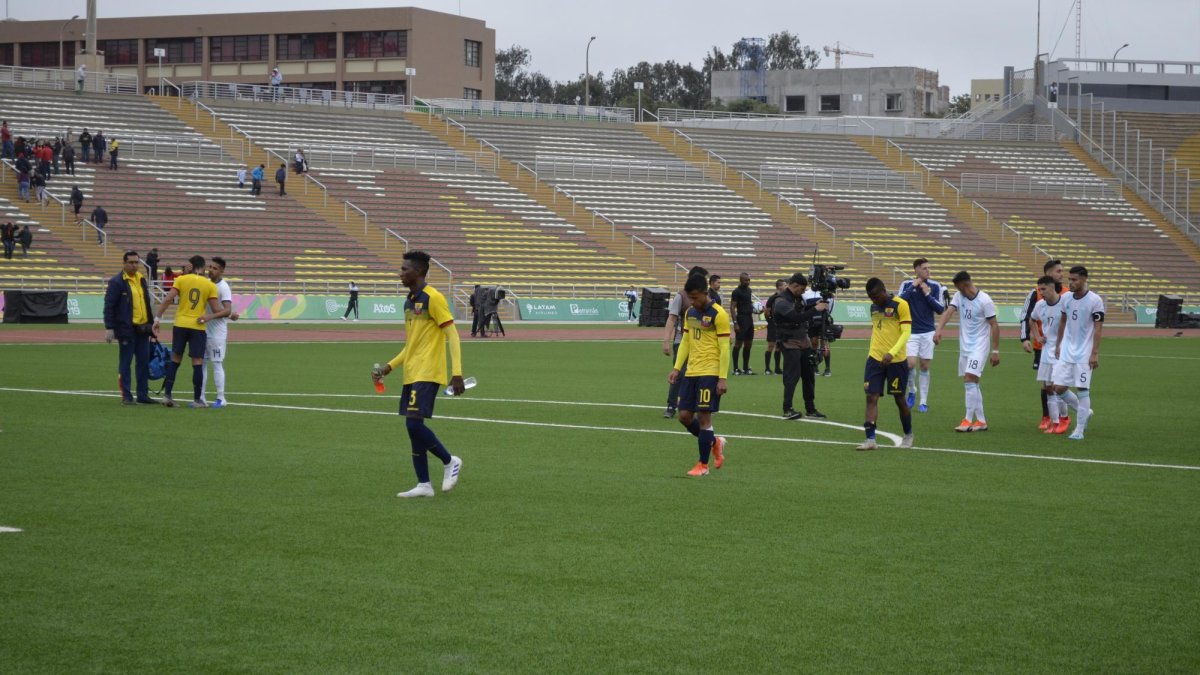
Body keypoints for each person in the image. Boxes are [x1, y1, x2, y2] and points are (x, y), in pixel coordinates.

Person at [371, 250, 465, 499]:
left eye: (404, 269)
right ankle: (424, 483)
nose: (400, 273)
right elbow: (411, 345)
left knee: (412, 423)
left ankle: (449, 460)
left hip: (429, 371)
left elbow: (452, 335)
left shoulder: (433, 298)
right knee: (414, 428)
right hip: (412, 372)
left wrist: (456, 373)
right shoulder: (409, 301)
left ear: (419, 272)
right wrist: (388, 367)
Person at [667, 273, 730, 477]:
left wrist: (722, 377)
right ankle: (715, 442)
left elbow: (724, 347)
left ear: (705, 292)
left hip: (710, 372)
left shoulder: (718, 314)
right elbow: (686, 341)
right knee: (684, 417)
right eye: (690, 298)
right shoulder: (691, 313)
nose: (692, 301)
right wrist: (677, 368)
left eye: (695, 297)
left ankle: (703, 465)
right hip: (691, 371)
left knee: (704, 418)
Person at [152, 255, 223, 408]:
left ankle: (167, 396)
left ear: (191, 265)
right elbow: (217, 309)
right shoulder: (210, 285)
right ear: (203, 267)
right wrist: (228, 313)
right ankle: (198, 400)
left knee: (175, 359)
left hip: (180, 324)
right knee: (197, 362)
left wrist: (157, 318)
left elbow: (167, 299)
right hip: (198, 326)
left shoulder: (181, 280)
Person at [934, 271, 1000, 432]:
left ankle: (967, 420)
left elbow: (994, 325)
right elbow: (949, 312)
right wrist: (939, 329)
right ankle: (982, 421)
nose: (958, 290)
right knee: (973, 382)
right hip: (965, 347)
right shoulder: (959, 295)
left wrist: (995, 350)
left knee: (969, 379)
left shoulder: (985, 301)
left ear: (964, 285)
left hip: (979, 346)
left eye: (958, 287)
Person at [858, 277, 914, 450]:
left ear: (883, 291)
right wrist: (875, 352)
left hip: (896, 361)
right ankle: (870, 439)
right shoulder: (873, 307)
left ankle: (908, 434)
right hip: (875, 359)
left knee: (899, 398)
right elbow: (877, 331)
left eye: (875, 296)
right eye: (870, 297)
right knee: (871, 397)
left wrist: (892, 352)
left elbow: (906, 333)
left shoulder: (900, 305)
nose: (874, 300)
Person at [1052, 266, 1104, 440]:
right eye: (1070, 279)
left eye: (1075, 279)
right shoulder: (1066, 298)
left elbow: (1098, 328)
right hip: (1067, 350)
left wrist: (1094, 353)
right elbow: (1062, 322)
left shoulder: (1095, 300)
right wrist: (1058, 345)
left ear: (1084, 279)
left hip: (1084, 353)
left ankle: (1079, 429)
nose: (1071, 283)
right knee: (1058, 388)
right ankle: (1086, 412)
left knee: (1082, 389)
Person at [103, 251, 157, 405]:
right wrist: (110, 327)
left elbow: (146, 304)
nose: (134, 265)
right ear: (124, 263)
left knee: (143, 363)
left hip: (142, 329)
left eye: (136, 262)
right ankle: (126, 395)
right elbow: (109, 306)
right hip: (127, 329)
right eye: (131, 262)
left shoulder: (141, 279)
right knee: (125, 363)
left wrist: (151, 325)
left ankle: (142, 394)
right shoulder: (117, 282)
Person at [771, 272, 827, 420]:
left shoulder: (797, 297)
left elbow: (802, 310)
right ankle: (787, 408)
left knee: (809, 375)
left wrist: (815, 304)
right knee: (792, 376)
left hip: (803, 341)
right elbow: (796, 317)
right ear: (794, 286)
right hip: (789, 342)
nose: (803, 292)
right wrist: (816, 309)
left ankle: (811, 409)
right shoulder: (781, 301)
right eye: (802, 289)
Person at [1020, 259, 1066, 430]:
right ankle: (1047, 417)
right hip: (1043, 347)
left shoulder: (1067, 294)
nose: (1061, 274)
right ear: (1048, 274)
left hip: (1061, 347)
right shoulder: (1035, 294)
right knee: (1045, 384)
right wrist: (1026, 338)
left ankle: (1064, 417)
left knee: (1059, 383)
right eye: (1058, 271)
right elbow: (1026, 317)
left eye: (1062, 271)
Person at [898, 258, 945, 413]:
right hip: (910, 331)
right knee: (910, 364)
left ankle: (923, 402)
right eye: (925, 268)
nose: (928, 271)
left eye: (928, 268)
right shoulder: (906, 285)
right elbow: (898, 303)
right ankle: (912, 390)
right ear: (916, 270)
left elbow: (940, 309)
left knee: (924, 366)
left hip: (928, 331)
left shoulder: (935, 286)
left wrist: (927, 294)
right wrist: (913, 287)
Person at [661, 265, 706, 418]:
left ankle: (694, 405)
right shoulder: (681, 296)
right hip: (682, 341)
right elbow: (672, 317)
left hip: (702, 343)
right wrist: (666, 340)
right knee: (679, 373)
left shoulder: (706, 297)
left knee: (699, 375)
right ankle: (671, 405)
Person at [1029, 276, 1068, 435]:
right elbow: (1031, 320)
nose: (1041, 292)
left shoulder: (1065, 303)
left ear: (1052, 287)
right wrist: (1037, 337)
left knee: (1057, 388)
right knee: (1048, 388)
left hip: (1061, 351)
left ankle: (1064, 418)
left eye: (1043, 289)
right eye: (1039, 289)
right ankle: (1055, 422)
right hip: (1046, 351)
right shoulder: (1040, 305)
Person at [201, 257, 239, 408]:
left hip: (217, 332)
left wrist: (210, 317)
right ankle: (201, 397)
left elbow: (227, 309)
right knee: (202, 363)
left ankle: (221, 398)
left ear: (222, 271)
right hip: (203, 330)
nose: (211, 270)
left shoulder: (223, 287)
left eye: (215, 268)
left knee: (216, 363)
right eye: (210, 267)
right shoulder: (206, 284)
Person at [729, 272, 756, 375]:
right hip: (741, 319)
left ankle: (745, 368)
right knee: (738, 344)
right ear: (741, 280)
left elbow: (748, 303)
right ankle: (735, 368)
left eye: (749, 280)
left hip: (749, 319)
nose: (748, 282)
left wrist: (754, 308)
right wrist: (735, 323)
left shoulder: (749, 290)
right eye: (745, 280)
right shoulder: (736, 292)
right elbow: (732, 307)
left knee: (748, 344)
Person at [761, 279, 786, 375]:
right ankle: (767, 368)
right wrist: (770, 321)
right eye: (784, 285)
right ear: (779, 287)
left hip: (781, 324)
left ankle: (777, 368)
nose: (786, 286)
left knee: (779, 346)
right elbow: (767, 311)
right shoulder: (773, 298)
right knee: (771, 345)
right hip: (773, 324)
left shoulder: (785, 297)